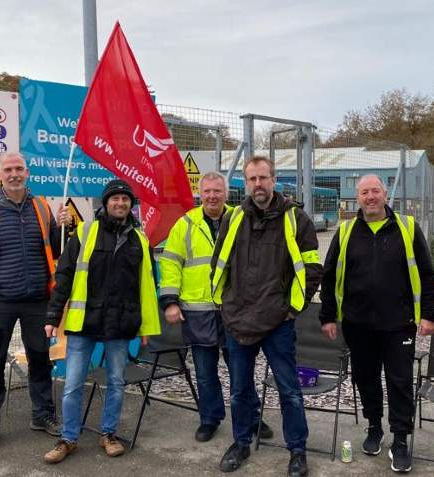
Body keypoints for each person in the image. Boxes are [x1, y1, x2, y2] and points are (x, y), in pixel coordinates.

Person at [210, 155, 322, 477]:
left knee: (289, 390)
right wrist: (225, 305)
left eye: (263, 178)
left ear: (274, 180)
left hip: (278, 323)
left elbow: (313, 268)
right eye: (252, 179)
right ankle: (241, 442)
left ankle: (297, 451)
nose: (258, 184)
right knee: (240, 390)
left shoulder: (296, 219)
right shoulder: (233, 220)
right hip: (237, 320)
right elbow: (219, 264)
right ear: (245, 184)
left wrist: (292, 310)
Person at [319, 174, 434, 473]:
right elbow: (330, 274)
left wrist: (429, 314)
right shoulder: (346, 231)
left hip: (399, 323)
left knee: (400, 382)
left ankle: (400, 439)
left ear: (385, 194)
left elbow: (426, 273)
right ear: (357, 197)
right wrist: (328, 316)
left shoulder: (407, 227)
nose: (370, 197)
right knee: (366, 379)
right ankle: (374, 427)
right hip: (358, 324)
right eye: (364, 192)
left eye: (375, 191)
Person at [42, 180, 161, 464]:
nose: (120, 203)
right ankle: (68, 438)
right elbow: (64, 277)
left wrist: (146, 329)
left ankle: (108, 434)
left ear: (131, 204)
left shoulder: (140, 240)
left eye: (125, 199)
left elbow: (146, 287)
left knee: (117, 382)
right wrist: (52, 316)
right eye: (115, 199)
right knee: (72, 384)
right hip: (85, 322)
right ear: (105, 203)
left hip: (120, 324)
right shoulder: (84, 232)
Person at [0, 151, 70, 452]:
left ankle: (43, 415)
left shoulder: (42, 206)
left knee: (40, 361)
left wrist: (62, 226)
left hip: (38, 300)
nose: (14, 174)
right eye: (8, 169)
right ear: (0, 173)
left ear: (27, 172)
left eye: (19, 168)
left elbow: (56, 249)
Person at [159, 172, 272, 442]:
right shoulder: (185, 224)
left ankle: (252, 417)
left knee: (240, 370)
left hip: (234, 310)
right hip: (197, 311)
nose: (212, 196)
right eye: (207, 191)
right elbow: (171, 263)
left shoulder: (240, 218)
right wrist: (170, 301)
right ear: (200, 193)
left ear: (226, 193)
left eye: (217, 191)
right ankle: (210, 419)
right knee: (205, 372)